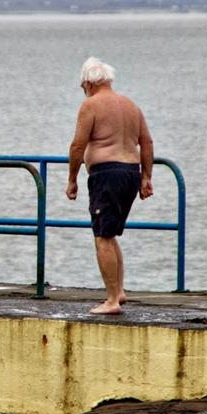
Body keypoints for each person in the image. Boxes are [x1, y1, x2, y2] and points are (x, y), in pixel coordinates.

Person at [66, 57, 154, 314]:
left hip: (107, 174)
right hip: (130, 172)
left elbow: (78, 146)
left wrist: (72, 178)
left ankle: (112, 301)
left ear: (87, 83)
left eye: (83, 86)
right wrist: (146, 176)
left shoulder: (90, 105)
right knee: (111, 233)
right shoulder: (130, 105)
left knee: (102, 237)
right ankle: (120, 291)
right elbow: (146, 142)